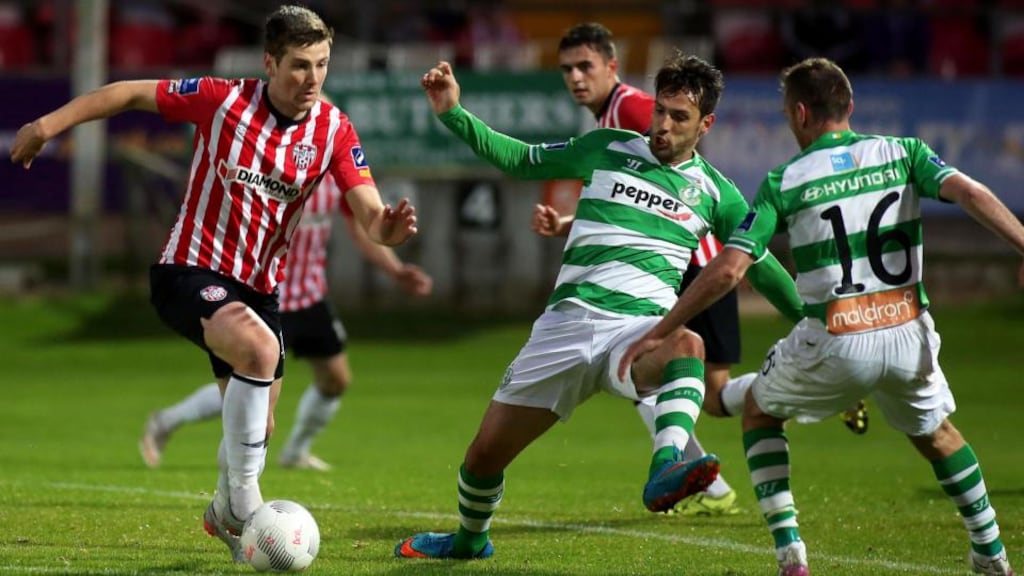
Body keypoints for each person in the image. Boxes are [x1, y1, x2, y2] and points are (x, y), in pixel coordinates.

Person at [9, 4, 417, 564]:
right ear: (269, 63)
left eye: (322, 64)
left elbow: (368, 210)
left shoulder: (334, 129)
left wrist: (386, 230)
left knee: (259, 418)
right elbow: (128, 92)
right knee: (259, 348)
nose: (313, 78)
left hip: (258, 290)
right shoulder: (222, 99)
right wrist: (47, 125)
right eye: (299, 65)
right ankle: (249, 507)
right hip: (188, 269)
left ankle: (225, 511)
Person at [618, 57, 1022, 576]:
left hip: (836, 335)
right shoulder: (903, 153)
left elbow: (729, 271)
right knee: (938, 434)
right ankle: (991, 552)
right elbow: (970, 192)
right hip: (908, 333)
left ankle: (791, 557)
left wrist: (663, 328)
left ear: (801, 113)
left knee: (760, 412)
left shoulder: (785, 180)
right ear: (849, 107)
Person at [395, 55, 805, 561]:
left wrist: (816, 323)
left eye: (679, 117)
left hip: (635, 333)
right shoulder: (607, 147)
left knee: (688, 343)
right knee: (483, 456)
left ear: (706, 125)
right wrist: (453, 113)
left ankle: (666, 467)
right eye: (661, 111)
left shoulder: (718, 194)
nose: (663, 125)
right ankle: (468, 541)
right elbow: (521, 160)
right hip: (564, 328)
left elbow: (762, 268)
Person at [540, 21, 748, 516]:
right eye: (567, 68)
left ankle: (804, 386)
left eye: (585, 66)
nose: (575, 78)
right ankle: (707, 482)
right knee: (689, 388)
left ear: (612, 66)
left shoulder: (632, 109)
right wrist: (573, 220)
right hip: (682, 263)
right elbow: (636, 194)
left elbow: (674, 183)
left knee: (670, 376)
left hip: (689, 266)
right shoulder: (611, 115)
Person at [139, 173, 433, 471]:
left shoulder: (338, 176)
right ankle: (167, 422)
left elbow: (361, 229)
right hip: (267, 294)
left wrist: (395, 271)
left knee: (336, 378)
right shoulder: (271, 168)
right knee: (252, 389)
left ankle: (295, 452)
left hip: (311, 294)